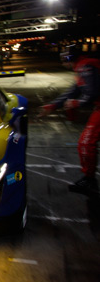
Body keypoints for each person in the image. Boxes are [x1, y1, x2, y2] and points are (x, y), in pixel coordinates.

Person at [40, 45, 100, 197]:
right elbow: (74, 91)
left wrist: (77, 103)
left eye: (64, 59)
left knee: (86, 143)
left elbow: (92, 93)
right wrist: (53, 105)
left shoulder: (85, 66)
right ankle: (89, 179)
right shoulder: (84, 66)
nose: (62, 62)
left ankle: (90, 181)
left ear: (69, 58)